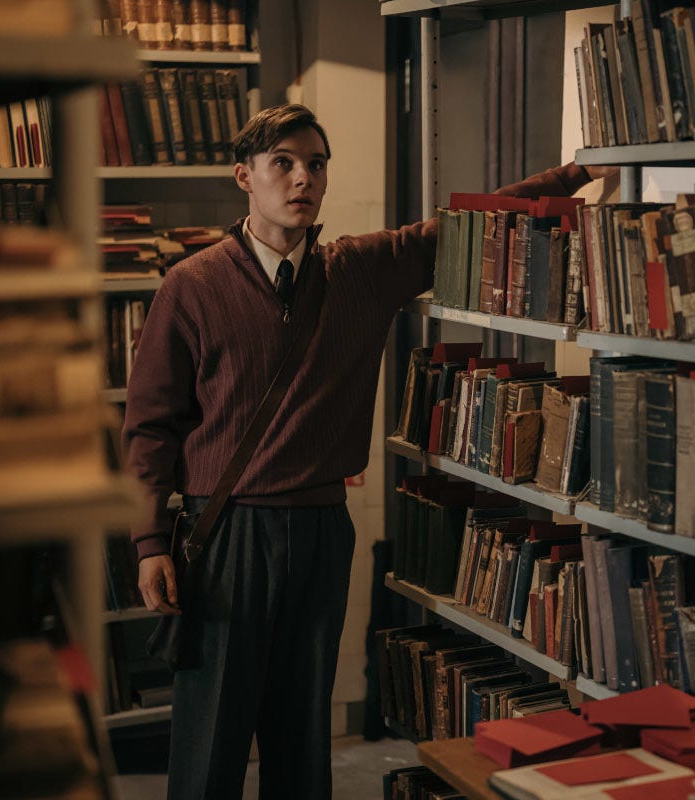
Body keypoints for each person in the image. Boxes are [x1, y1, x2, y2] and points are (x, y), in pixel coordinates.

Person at [123, 103, 599, 799]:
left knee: (300, 727)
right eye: (282, 163)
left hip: (320, 527)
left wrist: (579, 171)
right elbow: (149, 426)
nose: (301, 178)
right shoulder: (191, 286)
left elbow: (467, 225)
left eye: (315, 164)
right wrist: (146, 542)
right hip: (224, 533)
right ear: (243, 177)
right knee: (212, 732)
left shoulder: (359, 271)